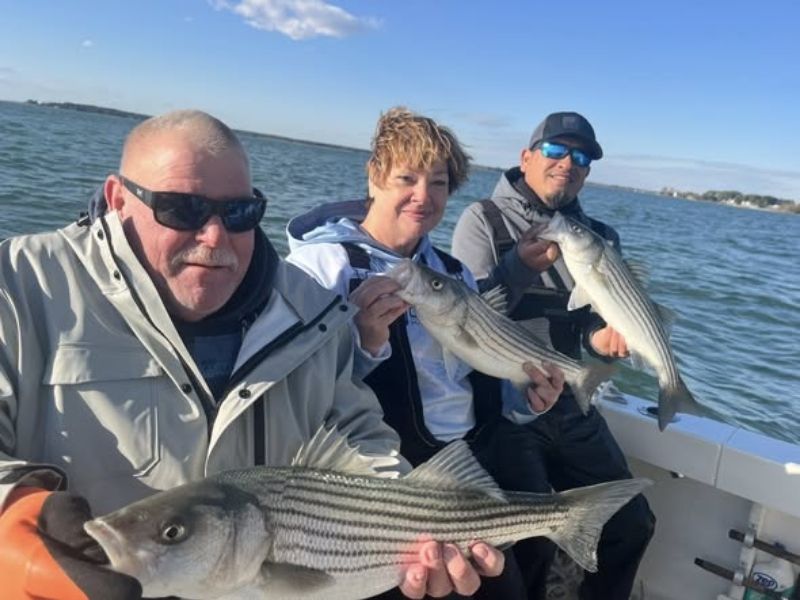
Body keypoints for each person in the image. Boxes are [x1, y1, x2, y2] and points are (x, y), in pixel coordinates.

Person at [0, 109, 504, 600]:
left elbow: (356, 433)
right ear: (118, 199)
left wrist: (407, 531)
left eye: (240, 213)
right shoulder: (20, 284)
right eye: (182, 209)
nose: (214, 236)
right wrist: (14, 518)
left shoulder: (313, 310)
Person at [286, 107, 566, 599]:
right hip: (390, 477)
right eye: (407, 178)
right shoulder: (320, 266)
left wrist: (525, 398)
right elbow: (292, 394)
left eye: (438, 183)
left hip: (471, 457)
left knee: (529, 561)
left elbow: (473, 374)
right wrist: (363, 343)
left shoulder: (453, 273)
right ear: (374, 177)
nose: (424, 195)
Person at [451, 111, 656, 600]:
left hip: (570, 401)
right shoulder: (483, 219)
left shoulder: (599, 237)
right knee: (531, 541)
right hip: (503, 407)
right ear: (526, 157)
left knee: (633, 522)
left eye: (581, 157)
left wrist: (603, 342)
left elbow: (590, 326)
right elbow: (466, 318)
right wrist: (518, 267)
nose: (569, 163)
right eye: (556, 150)